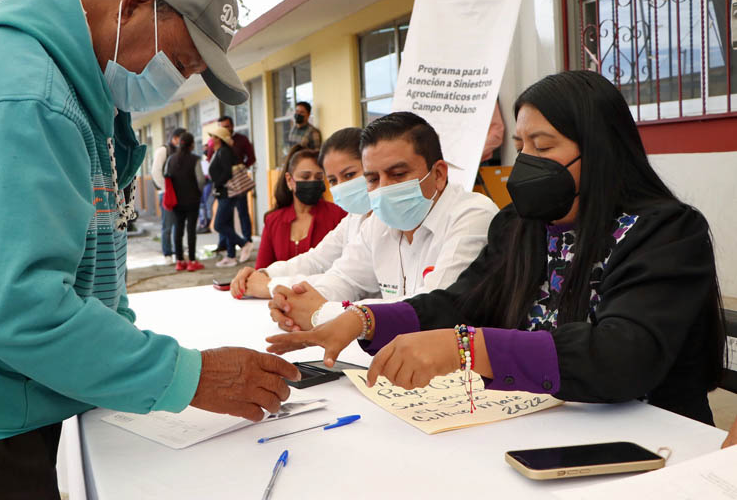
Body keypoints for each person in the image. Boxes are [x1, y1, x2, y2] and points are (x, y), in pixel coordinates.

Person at [0, 0, 300, 499]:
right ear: (135, 4)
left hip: (5, 378)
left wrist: (126, 351)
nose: (179, 82)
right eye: (181, 62)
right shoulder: (25, 95)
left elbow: (91, 251)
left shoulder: (78, 90)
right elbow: (25, 309)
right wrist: (189, 376)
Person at [267, 70, 726, 425]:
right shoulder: (521, 224)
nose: (525, 162)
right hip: (543, 423)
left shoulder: (665, 233)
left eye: (543, 146)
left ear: (601, 150)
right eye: (521, 145)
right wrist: (363, 319)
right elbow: (460, 301)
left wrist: (466, 349)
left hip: (653, 439)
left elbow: (622, 356)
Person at [266, 112, 498, 331]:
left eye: (398, 174)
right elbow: (344, 278)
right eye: (373, 179)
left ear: (438, 174)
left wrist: (324, 312)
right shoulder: (379, 221)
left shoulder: (472, 216)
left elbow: (433, 307)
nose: (384, 189)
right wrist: (294, 303)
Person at [230, 127, 370, 299]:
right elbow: (315, 260)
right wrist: (263, 274)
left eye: (349, 175)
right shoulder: (353, 218)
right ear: (290, 180)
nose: (341, 186)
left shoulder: (350, 215)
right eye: (333, 180)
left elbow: (345, 280)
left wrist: (270, 286)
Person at [255, 145, 345, 271]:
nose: (312, 182)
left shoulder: (339, 215)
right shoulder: (273, 220)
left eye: (318, 177)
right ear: (289, 180)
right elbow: (261, 270)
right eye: (305, 177)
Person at [206, 114, 256, 255]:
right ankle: (228, 249)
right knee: (225, 220)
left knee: (240, 214)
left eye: (227, 126)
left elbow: (250, 158)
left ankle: (245, 242)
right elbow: (212, 160)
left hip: (235, 185)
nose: (225, 129)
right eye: (222, 127)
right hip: (224, 188)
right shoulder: (216, 148)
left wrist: (240, 169)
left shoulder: (239, 141)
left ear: (232, 126)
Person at [165, 131, 205, 271]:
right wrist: (199, 191)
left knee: (178, 230)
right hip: (192, 200)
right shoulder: (195, 159)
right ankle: (192, 261)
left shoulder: (171, 159)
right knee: (191, 230)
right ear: (192, 145)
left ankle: (179, 261)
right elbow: (200, 180)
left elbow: (167, 177)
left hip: (176, 201)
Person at [152, 127, 186, 264]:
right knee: (167, 225)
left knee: (179, 225)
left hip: (180, 194)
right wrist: (166, 189)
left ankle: (178, 253)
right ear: (175, 138)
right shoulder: (163, 150)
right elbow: (156, 171)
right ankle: (167, 253)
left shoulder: (181, 151)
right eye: (181, 139)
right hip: (166, 194)